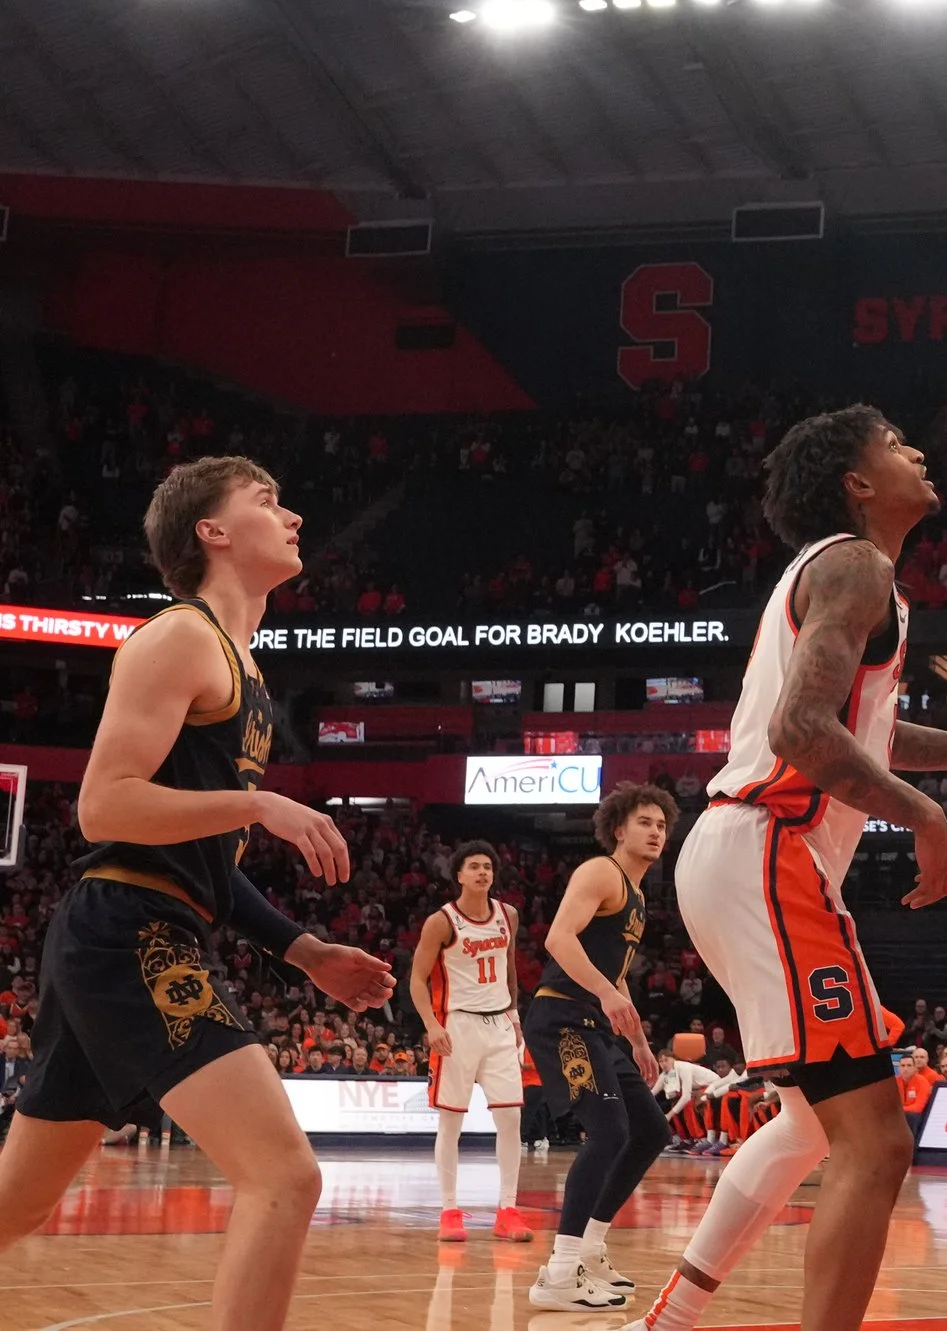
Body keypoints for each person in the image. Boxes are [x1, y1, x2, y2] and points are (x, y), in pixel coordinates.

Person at [646, 408, 947, 1331]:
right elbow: (800, 731)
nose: (918, 451)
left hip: (741, 852)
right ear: (855, 482)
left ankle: (673, 1316)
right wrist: (924, 815)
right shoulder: (856, 564)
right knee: (877, 1142)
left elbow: (874, 733)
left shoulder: (850, 578)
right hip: (771, 845)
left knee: (815, 1124)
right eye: (895, 445)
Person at [0, 457, 393, 1331]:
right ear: (210, 532)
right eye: (268, 500)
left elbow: (207, 856)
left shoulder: (244, 666)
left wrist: (304, 949)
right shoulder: (180, 635)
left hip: (129, 930)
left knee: (15, 1208)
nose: (292, 516)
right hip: (127, 933)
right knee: (285, 1175)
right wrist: (259, 800)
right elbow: (104, 802)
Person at [523, 784, 677, 1312]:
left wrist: (637, 1039)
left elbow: (615, 973)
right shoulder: (599, 872)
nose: (656, 832)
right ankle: (559, 1275)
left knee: (652, 1130)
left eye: (661, 825)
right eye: (645, 823)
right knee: (609, 1131)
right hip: (562, 1017)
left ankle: (589, 1249)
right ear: (619, 829)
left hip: (598, 1026)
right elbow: (559, 939)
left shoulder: (637, 895)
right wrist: (608, 994)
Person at [409, 839, 529, 1243]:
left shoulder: (507, 915)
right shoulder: (441, 921)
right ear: (458, 874)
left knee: (511, 1118)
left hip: (500, 1024)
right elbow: (417, 979)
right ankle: (449, 1210)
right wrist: (431, 1024)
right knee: (452, 1121)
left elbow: (510, 970)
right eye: (474, 866)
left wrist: (515, 1015)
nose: (482, 873)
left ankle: (508, 1209)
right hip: (457, 1026)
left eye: (488, 867)